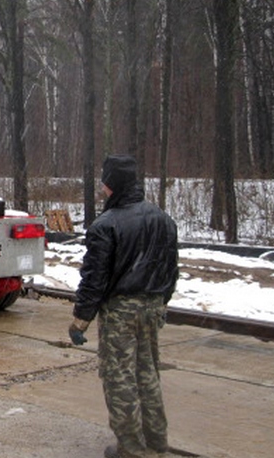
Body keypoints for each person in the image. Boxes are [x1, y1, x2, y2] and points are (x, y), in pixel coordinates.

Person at [69, 154, 179, 458]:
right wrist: (160, 301)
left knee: (119, 377)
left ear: (112, 185)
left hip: (121, 310)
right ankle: (156, 442)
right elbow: (171, 269)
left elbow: (95, 279)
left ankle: (131, 448)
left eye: (105, 182)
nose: (103, 188)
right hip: (153, 306)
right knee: (148, 373)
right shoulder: (163, 219)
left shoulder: (105, 226)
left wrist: (81, 319)